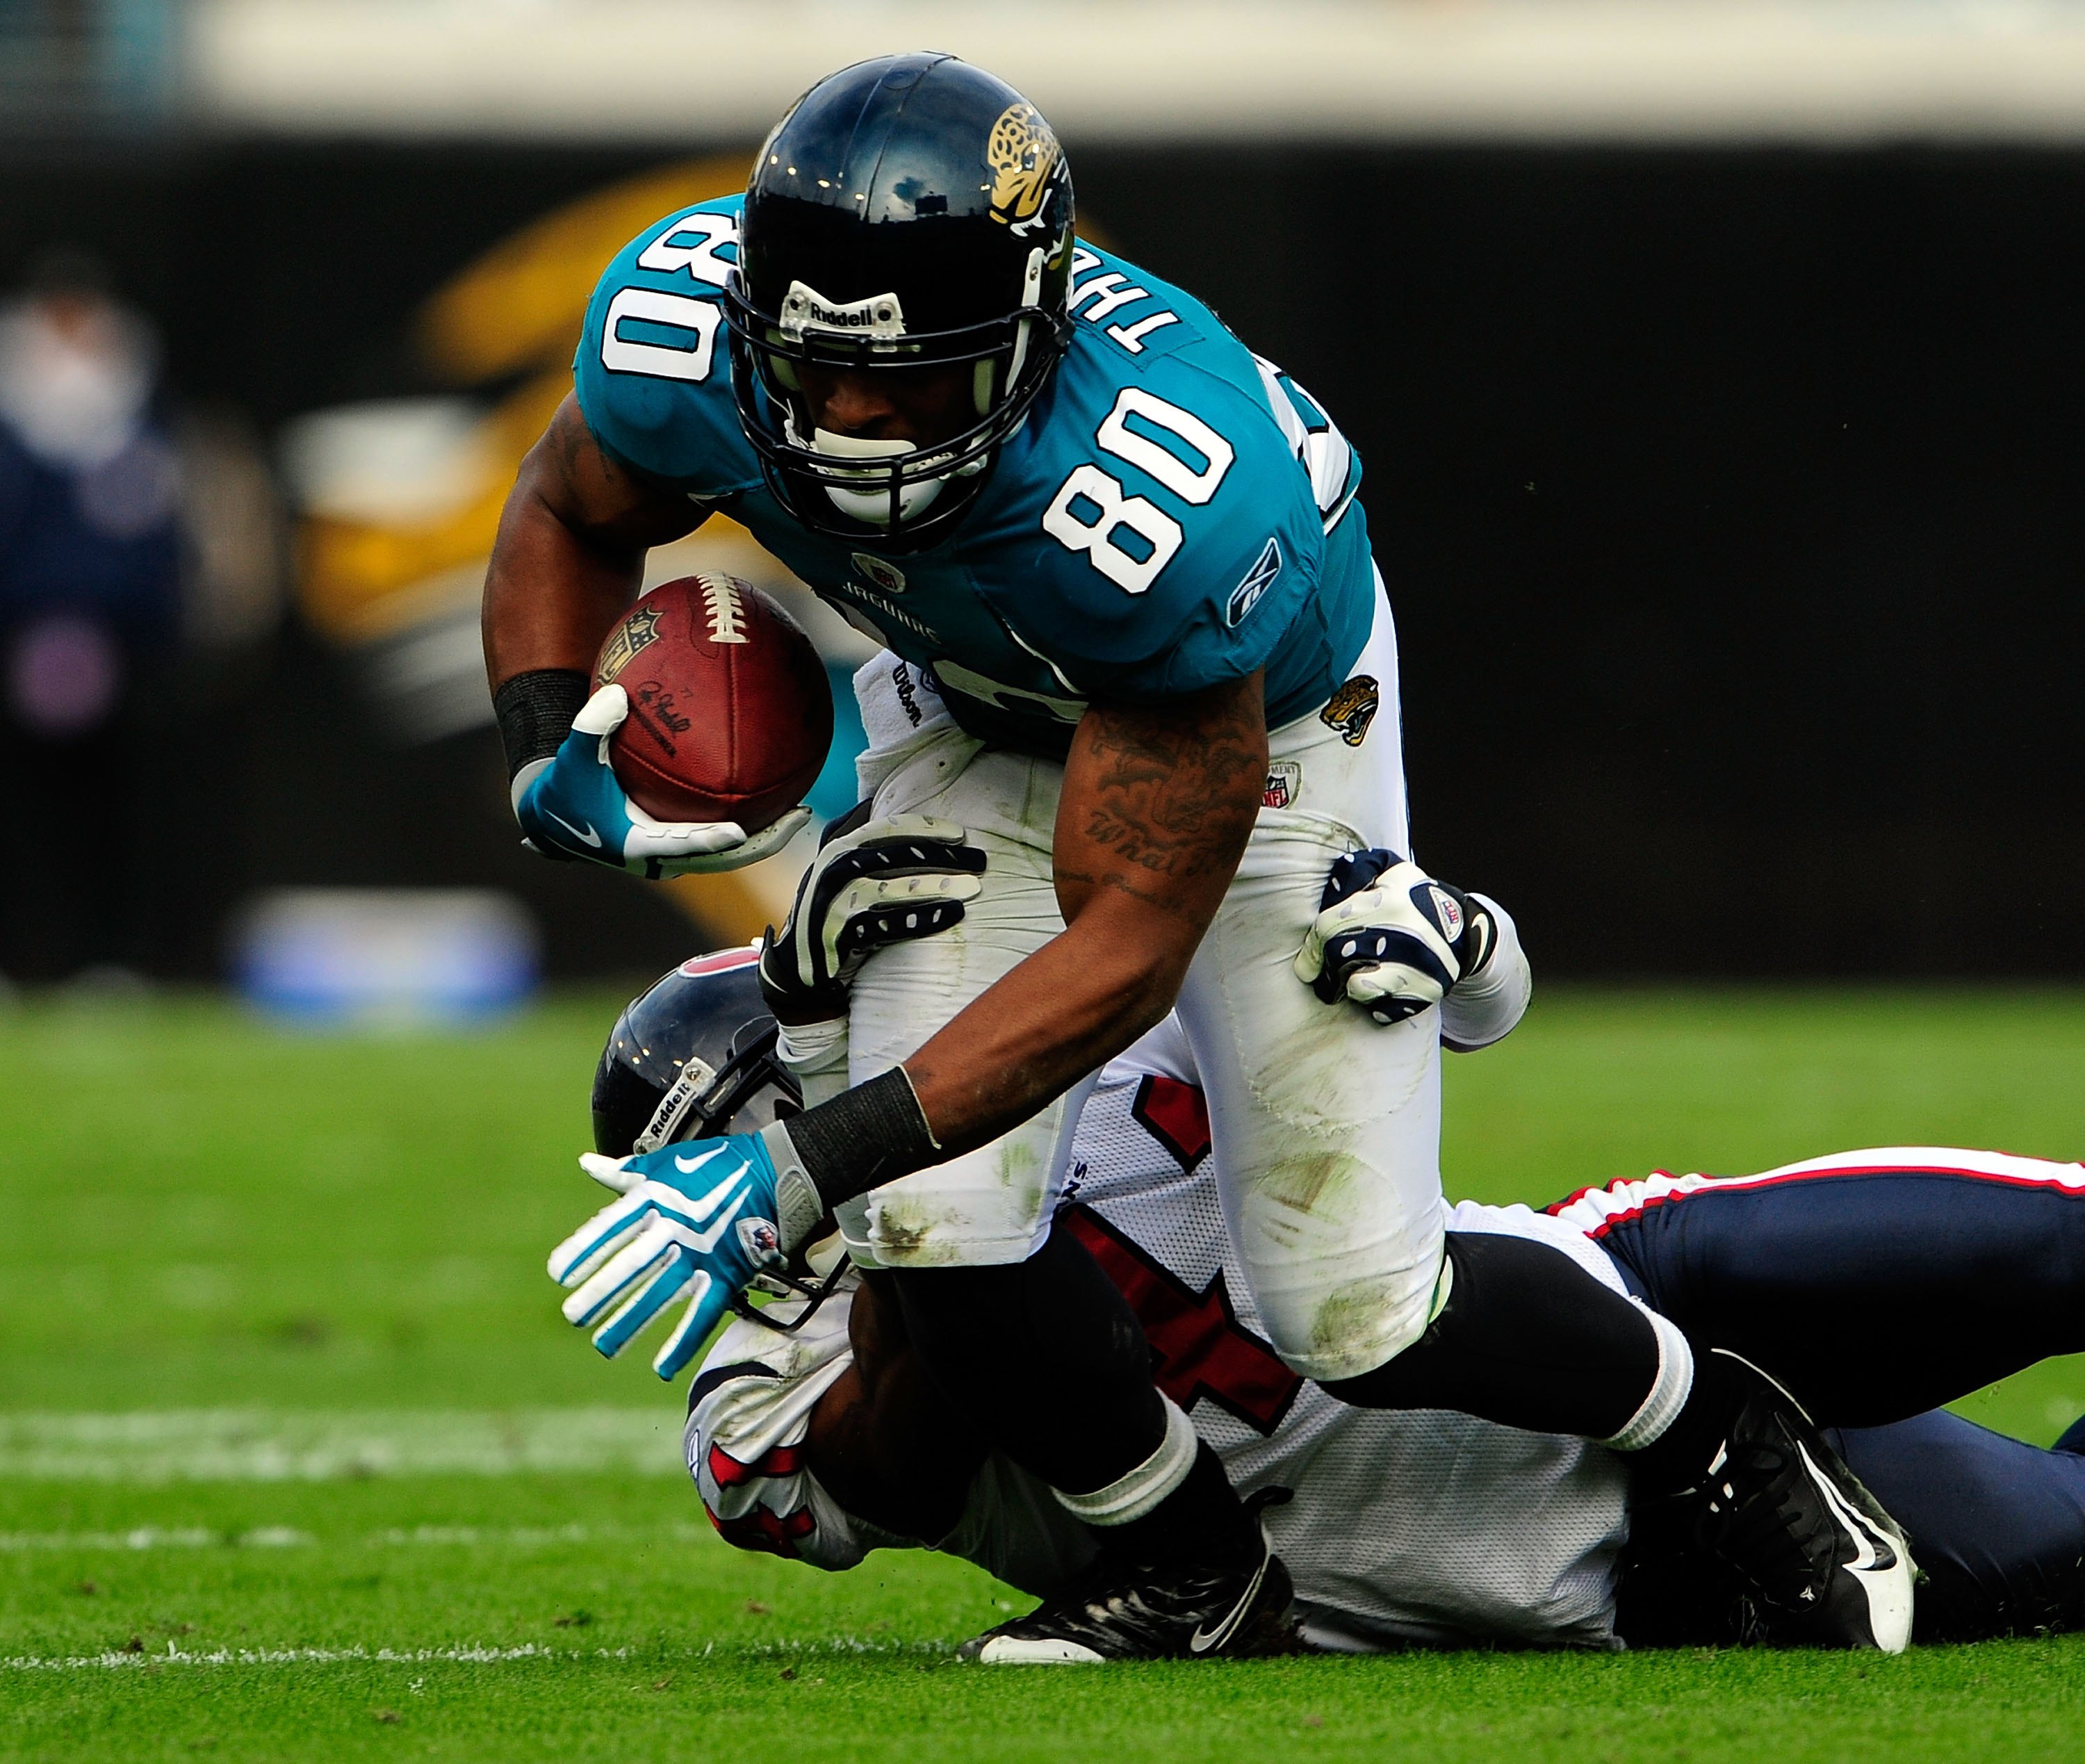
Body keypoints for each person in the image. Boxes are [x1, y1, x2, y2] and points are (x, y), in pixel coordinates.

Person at [493, 56, 1908, 1657]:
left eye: (914, 386)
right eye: (815, 377)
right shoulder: (680, 334)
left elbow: (1127, 953)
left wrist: (798, 1162)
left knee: (1355, 1301)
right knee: (933, 1223)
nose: (854, 430)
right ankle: (1185, 1567)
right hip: (976, 699)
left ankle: (1716, 1431)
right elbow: (565, 496)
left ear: (1031, 342)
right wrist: (547, 738)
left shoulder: (1163, 510)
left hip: (1257, 716)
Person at [576, 946, 2085, 1655]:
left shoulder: (1068, 1006)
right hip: (1582, 1566)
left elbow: (1428, 990)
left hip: (1613, 1295)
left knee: (2061, 1241)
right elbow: (896, 1454)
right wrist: (908, 1146)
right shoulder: (757, 1392)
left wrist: (1452, 948)